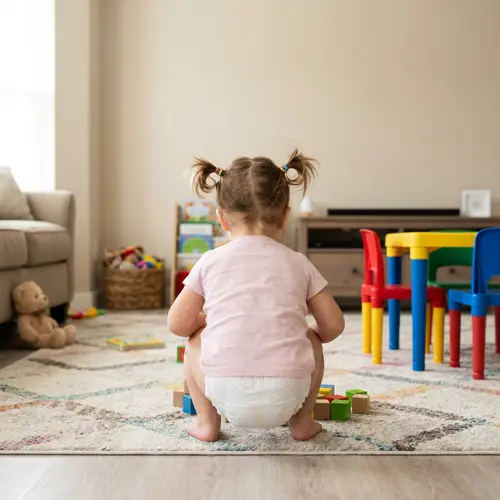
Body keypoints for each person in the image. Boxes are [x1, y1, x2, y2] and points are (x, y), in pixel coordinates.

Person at [167, 149, 345, 442]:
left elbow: (177, 324)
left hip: (225, 391)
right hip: (290, 392)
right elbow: (334, 326)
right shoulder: (299, 262)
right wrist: (305, 334)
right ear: (285, 215)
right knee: (311, 339)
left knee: (194, 338)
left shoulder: (209, 261)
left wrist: (204, 322)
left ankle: (207, 423)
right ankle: (302, 421)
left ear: (221, 219)